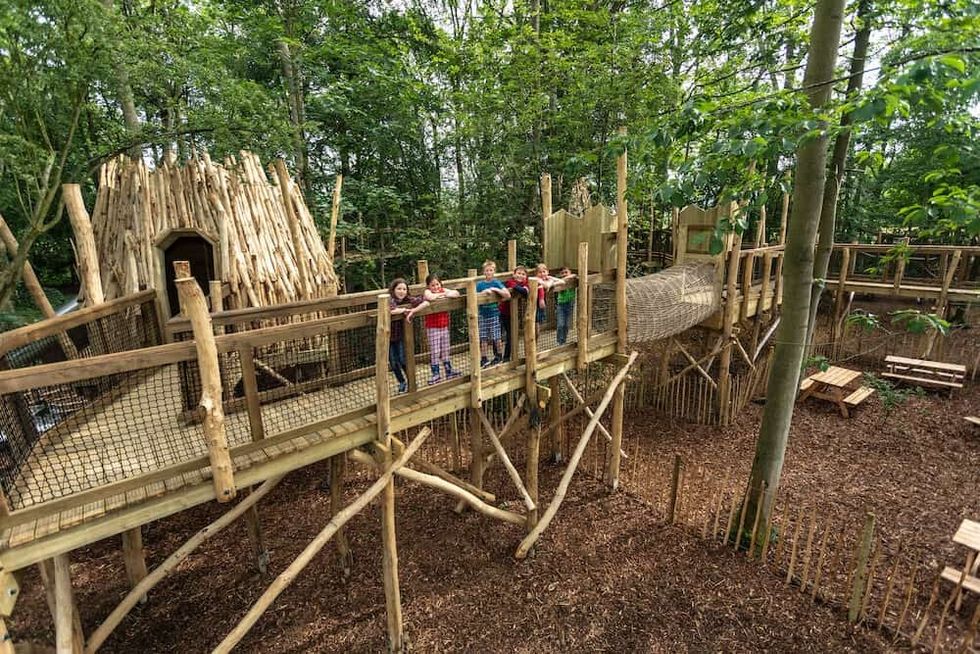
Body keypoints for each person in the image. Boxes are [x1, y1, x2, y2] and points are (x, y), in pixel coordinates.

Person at [387, 278, 428, 393]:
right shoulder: (390, 299)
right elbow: (390, 310)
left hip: (400, 336)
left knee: (402, 359)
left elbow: (425, 302)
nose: (402, 291)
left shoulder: (408, 299)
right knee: (393, 362)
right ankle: (402, 382)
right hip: (388, 337)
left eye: (404, 289)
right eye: (399, 289)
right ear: (393, 289)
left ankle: (411, 380)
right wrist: (405, 309)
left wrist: (413, 310)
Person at [423, 274, 462, 384]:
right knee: (435, 351)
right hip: (432, 327)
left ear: (440, 284)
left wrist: (443, 293)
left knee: (445, 349)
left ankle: (448, 371)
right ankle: (436, 374)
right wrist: (444, 295)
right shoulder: (426, 292)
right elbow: (430, 297)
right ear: (428, 286)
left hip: (444, 326)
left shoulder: (442, 289)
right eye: (432, 285)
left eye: (437, 284)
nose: (435, 287)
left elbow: (456, 293)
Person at [475, 260, 510, 367]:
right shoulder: (480, 284)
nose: (489, 272)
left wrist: (495, 289)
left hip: (494, 314)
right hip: (482, 314)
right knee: (483, 337)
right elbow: (474, 295)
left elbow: (507, 295)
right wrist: (483, 293)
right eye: (487, 270)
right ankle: (484, 358)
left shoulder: (496, 282)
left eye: (491, 270)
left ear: (494, 271)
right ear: (483, 272)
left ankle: (499, 355)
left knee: (496, 337)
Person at [499, 265, 529, 360]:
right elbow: (521, 290)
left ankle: (506, 357)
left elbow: (525, 291)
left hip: (515, 314)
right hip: (503, 312)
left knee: (511, 335)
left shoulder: (526, 282)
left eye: (523, 274)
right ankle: (498, 356)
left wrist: (524, 289)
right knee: (498, 335)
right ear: (514, 274)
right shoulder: (510, 281)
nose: (520, 276)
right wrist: (523, 288)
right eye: (518, 273)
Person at [555, 266, 577, 345]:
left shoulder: (572, 280)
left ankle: (564, 340)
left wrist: (567, 277)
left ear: (570, 273)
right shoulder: (559, 281)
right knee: (561, 324)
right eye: (562, 273)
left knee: (566, 325)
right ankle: (559, 341)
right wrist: (563, 279)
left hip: (569, 304)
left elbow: (574, 275)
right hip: (561, 305)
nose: (564, 274)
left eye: (566, 272)